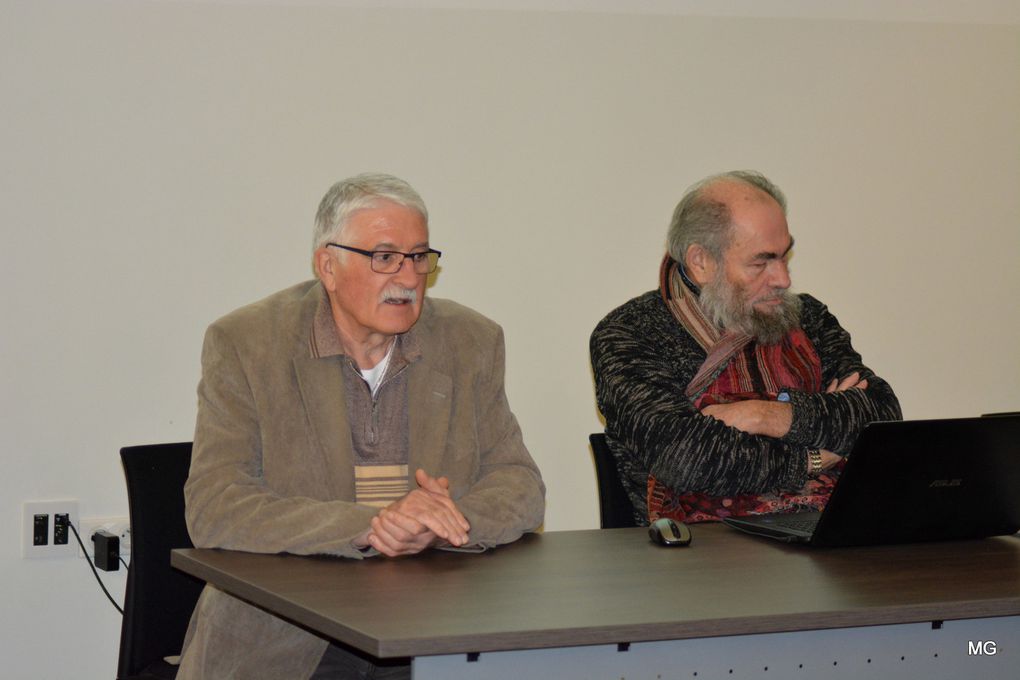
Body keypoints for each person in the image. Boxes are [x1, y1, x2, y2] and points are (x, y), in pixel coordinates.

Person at [177, 173, 545, 679]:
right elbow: (216, 506)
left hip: (432, 632)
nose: (409, 276)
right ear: (328, 265)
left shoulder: (470, 341)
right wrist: (372, 527)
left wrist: (437, 525)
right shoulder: (246, 344)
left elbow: (520, 486)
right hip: (288, 639)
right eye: (385, 256)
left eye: (419, 257)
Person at [590, 171, 900, 526]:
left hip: (828, 537)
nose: (783, 279)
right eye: (761, 262)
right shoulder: (630, 334)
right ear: (701, 262)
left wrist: (761, 415)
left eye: (784, 256)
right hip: (695, 561)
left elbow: (880, 417)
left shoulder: (809, 318)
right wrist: (814, 458)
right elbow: (688, 459)